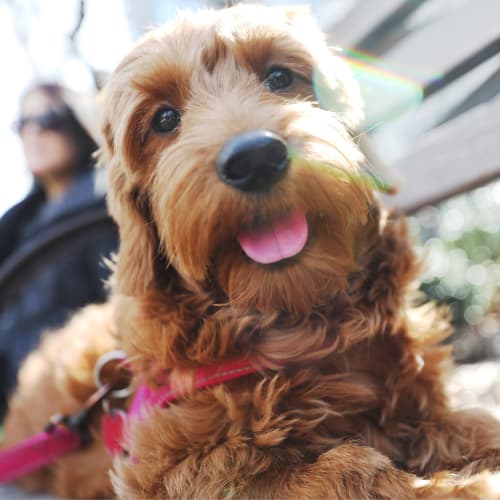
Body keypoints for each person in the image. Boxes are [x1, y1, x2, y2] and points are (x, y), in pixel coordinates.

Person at [0, 83, 118, 418]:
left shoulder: (106, 208)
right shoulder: (17, 227)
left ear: (77, 123)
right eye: (22, 124)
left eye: (48, 120)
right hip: (20, 405)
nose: (34, 133)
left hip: (85, 402)